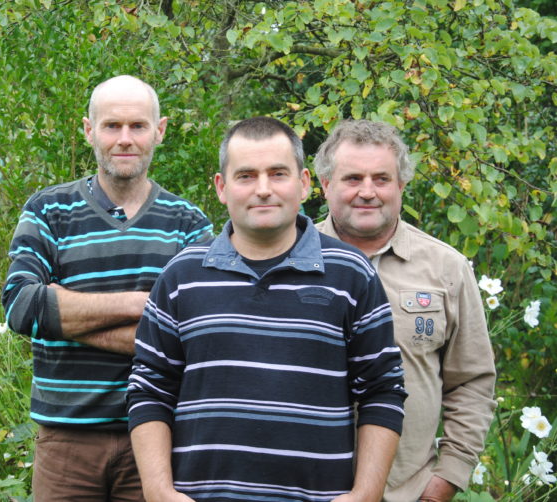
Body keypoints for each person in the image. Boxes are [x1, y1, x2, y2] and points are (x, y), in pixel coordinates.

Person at [127, 116, 407, 502]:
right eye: (246, 176)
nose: (263, 190)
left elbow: (382, 390)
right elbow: (150, 388)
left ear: (305, 183)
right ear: (222, 188)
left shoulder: (351, 275)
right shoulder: (181, 275)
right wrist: (157, 491)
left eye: (278, 174)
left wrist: (366, 494)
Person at [1, 75, 214, 501]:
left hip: (156, 441)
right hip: (65, 445)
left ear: (161, 130)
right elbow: (22, 308)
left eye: (137, 126)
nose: (125, 139)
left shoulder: (189, 225)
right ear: (88, 131)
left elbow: (197, 337)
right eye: (111, 126)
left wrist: (62, 318)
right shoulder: (49, 210)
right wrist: (142, 304)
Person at [313, 119, 496, 502]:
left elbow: (472, 381)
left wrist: (446, 478)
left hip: (409, 490)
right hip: (309, 488)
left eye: (381, 179)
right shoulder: (291, 263)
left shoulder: (446, 268)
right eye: (352, 179)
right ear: (325, 185)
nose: (368, 192)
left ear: (401, 185)